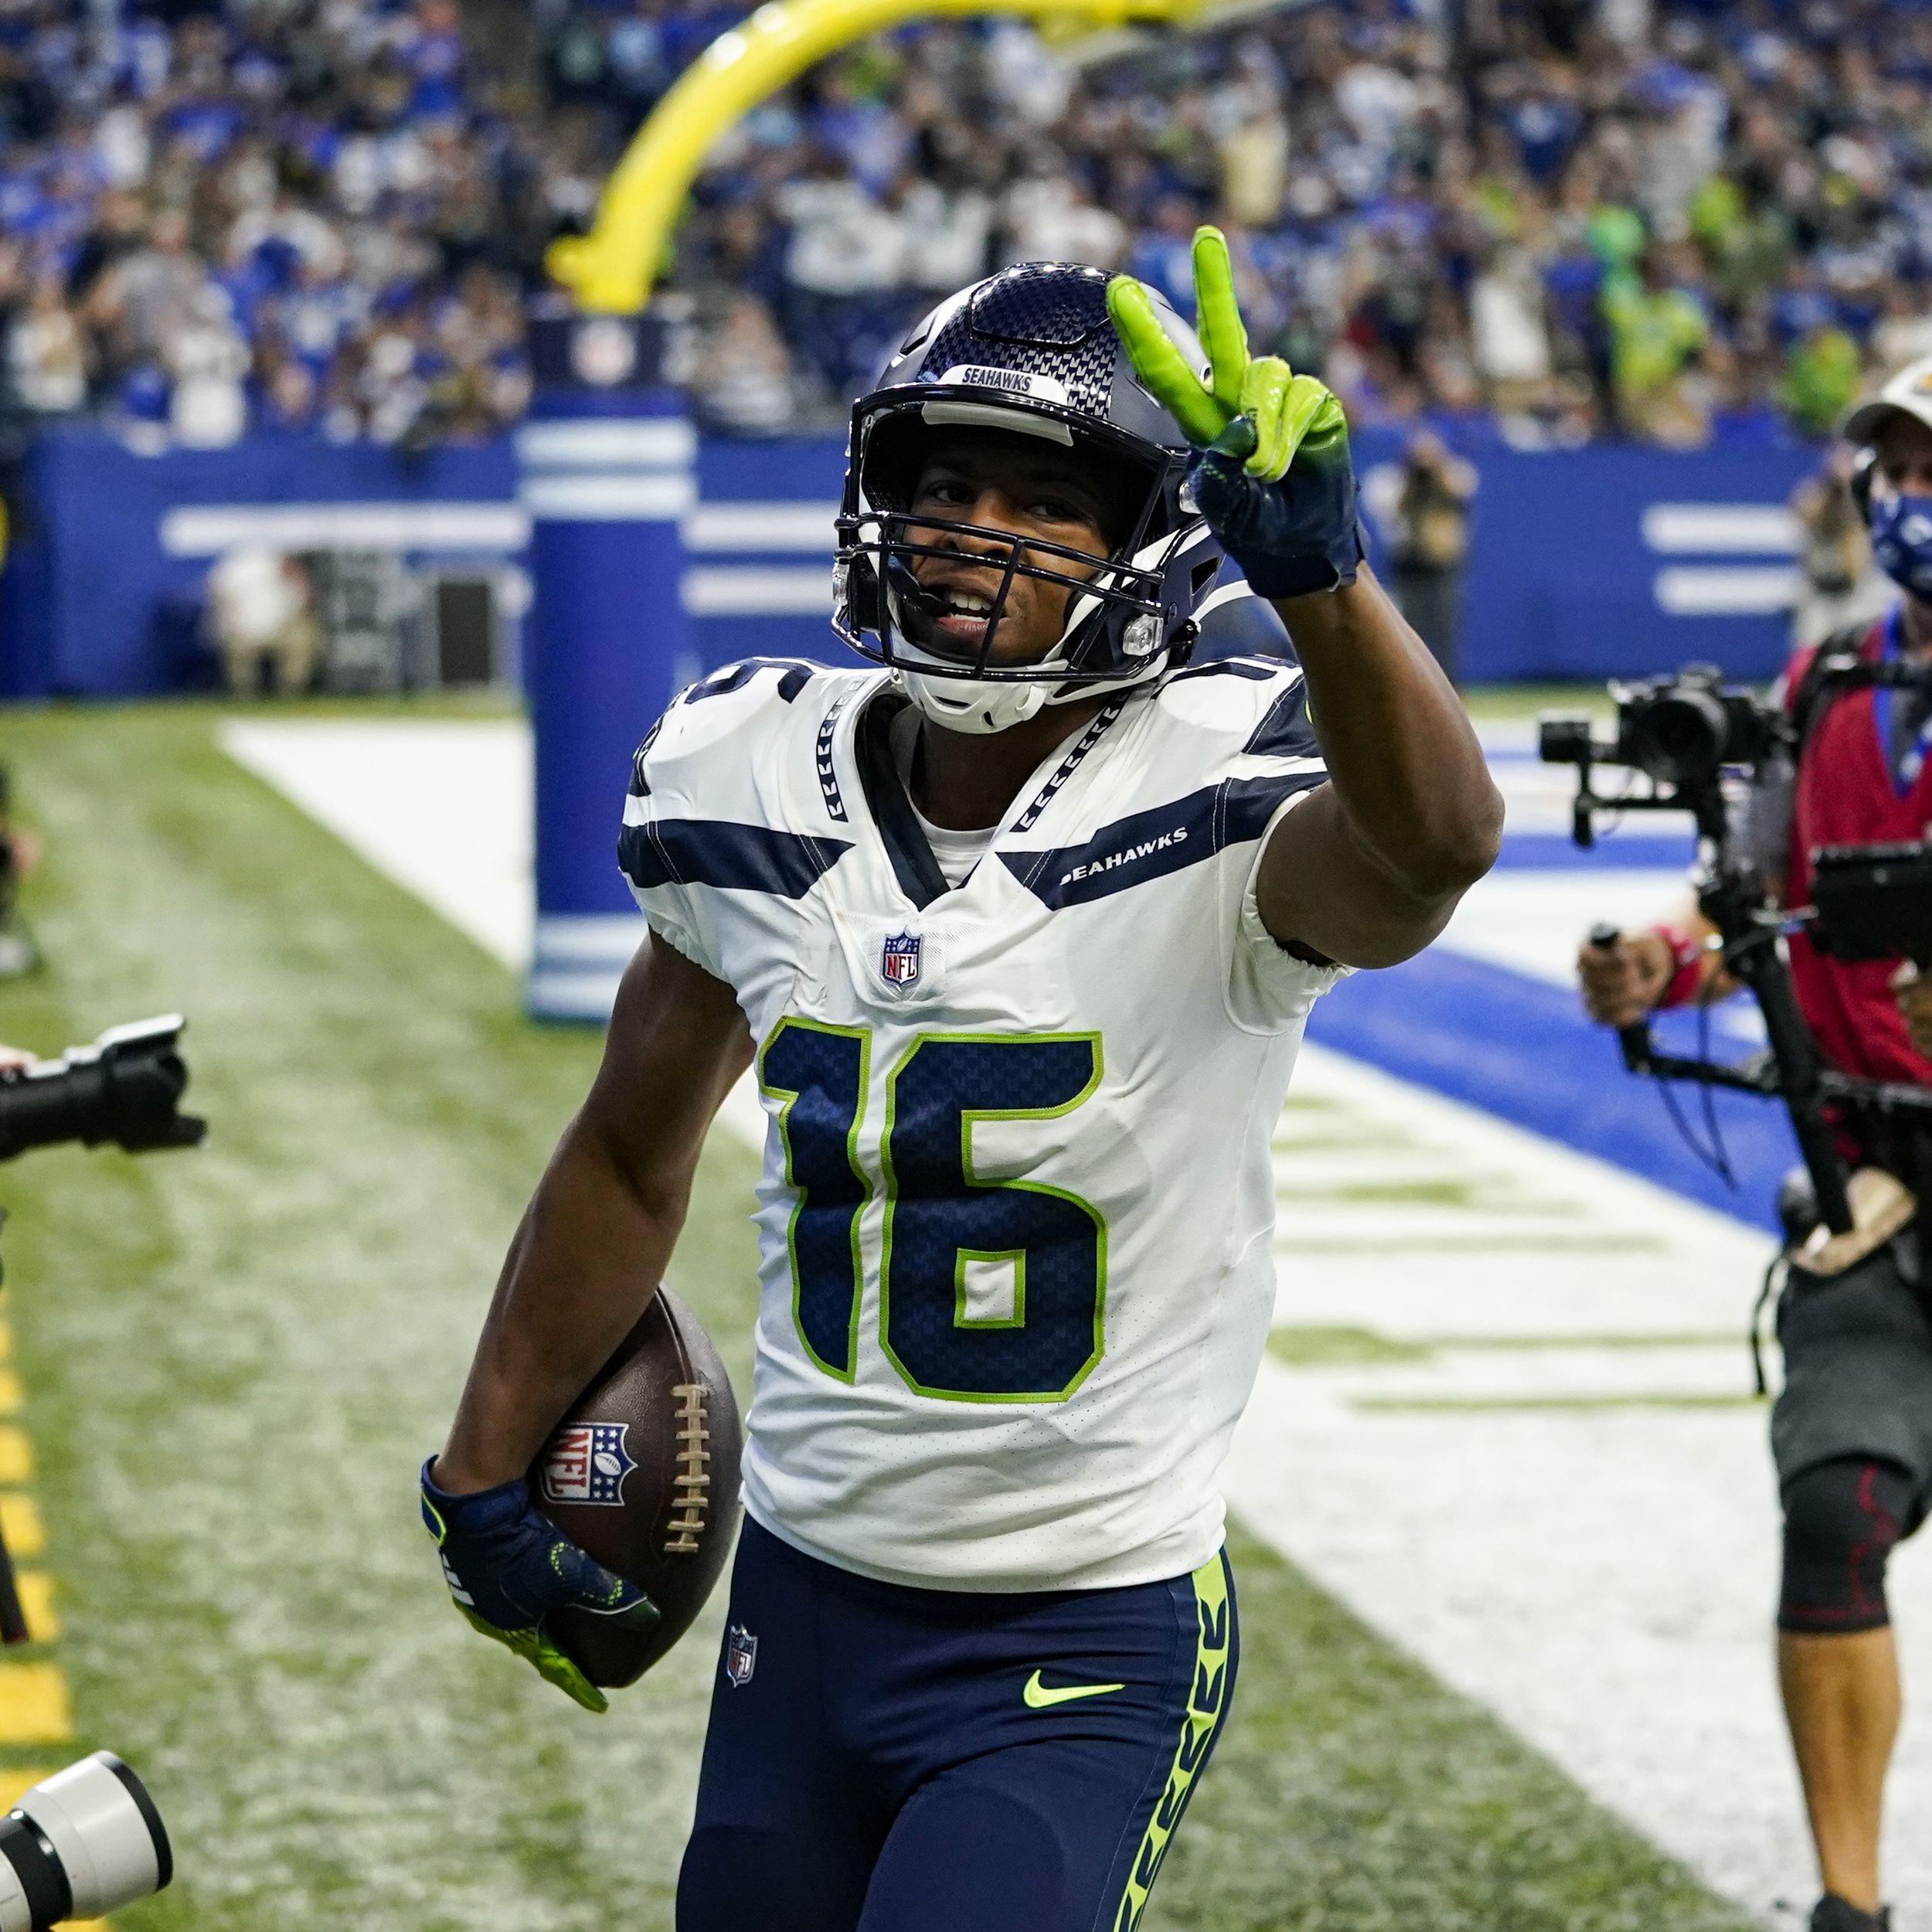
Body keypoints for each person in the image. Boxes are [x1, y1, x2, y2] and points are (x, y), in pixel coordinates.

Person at [422, 234, 1502, 1932]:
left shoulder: (1215, 779)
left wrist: (1326, 580)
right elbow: (631, 1152)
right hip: (804, 1593)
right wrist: (477, 1461)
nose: (974, 536)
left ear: (1149, 537)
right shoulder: (754, 767)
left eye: (1044, 501)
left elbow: (1430, 849)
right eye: (944, 486)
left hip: (1078, 1625)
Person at [1577, 353, 1932, 1932]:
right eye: (1902, 464)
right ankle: (1845, 1904)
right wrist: (1662, 961)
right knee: (1832, 1501)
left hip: (1880, 1181)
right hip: (1864, 1177)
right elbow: (1749, 898)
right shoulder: (1821, 689)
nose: (1915, 495)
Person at [1386, 431, 1477, 684]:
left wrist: (1437, 473)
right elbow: (1397, 514)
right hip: (1410, 568)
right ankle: (1413, 685)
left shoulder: (1451, 483)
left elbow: (1455, 511)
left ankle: (1450, 686)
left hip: (1441, 568)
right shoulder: (1398, 485)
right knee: (1410, 632)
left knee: (1445, 632)